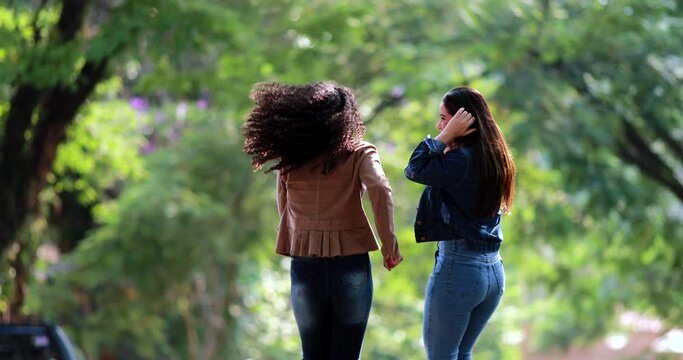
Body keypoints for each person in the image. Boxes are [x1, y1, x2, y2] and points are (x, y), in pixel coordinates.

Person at [243, 81, 403, 359]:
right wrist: (389, 244)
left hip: (306, 263)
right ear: (345, 116)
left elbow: (284, 203)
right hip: (350, 262)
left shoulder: (292, 157)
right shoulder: (360, 152)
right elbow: (379, 188)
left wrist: (297, 237)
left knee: (312, 354)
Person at [404, 87, 516, 360]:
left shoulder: (460, 162)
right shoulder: (495, 157)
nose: (439, 125)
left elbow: (414, 169)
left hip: (459, 270)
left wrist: (443, 137)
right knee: (461, 353)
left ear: (464, 122)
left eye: (445, 119)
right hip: (492, 272)